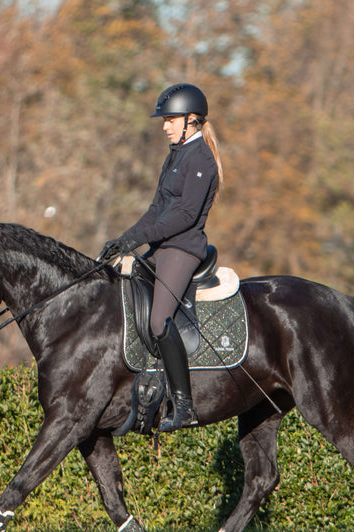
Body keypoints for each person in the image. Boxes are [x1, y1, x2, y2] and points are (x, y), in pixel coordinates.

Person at [99, 83, 224, 432]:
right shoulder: (175, 154)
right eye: (164, 120)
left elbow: (184, 216)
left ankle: (184, 405)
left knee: (158, 322)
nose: (165, 126)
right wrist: (124, 240)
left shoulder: (201, 160)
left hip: (183, 249)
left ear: (192, 120)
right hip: (161, 247)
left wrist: (138, 239)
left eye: (170, 119)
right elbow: (156, 210)